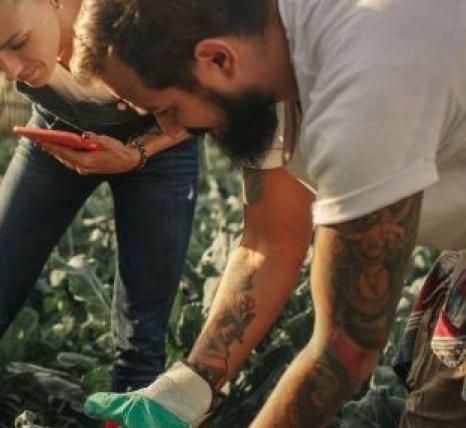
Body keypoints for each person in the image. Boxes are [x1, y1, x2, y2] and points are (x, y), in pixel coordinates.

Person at [70, 0, 466, 426]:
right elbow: (270, 239)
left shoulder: (365, 82)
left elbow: (347, 344)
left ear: (217, 58)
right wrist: (191, 384)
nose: (171, 131)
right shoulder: (270, 59)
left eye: (166, 109)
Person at [0, 0, 202, 427]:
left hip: (161, 152)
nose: (10, 71)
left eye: (16, 44)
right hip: (56, 135)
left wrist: (136, 154)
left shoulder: (141, 17)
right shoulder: (16, 47)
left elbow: (206, 104)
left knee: (142, 336)